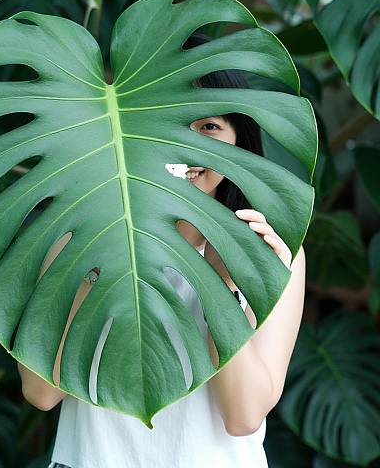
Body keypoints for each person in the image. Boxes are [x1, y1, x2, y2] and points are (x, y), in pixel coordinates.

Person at [17, 31, 306, 468]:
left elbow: (243, 416)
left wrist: (221, 287)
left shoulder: (271, 251)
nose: (186, 147)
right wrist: (88, 269)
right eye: (166, 123)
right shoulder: (71, 239)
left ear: (239, 141)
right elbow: (41, 393)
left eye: (209, 126)